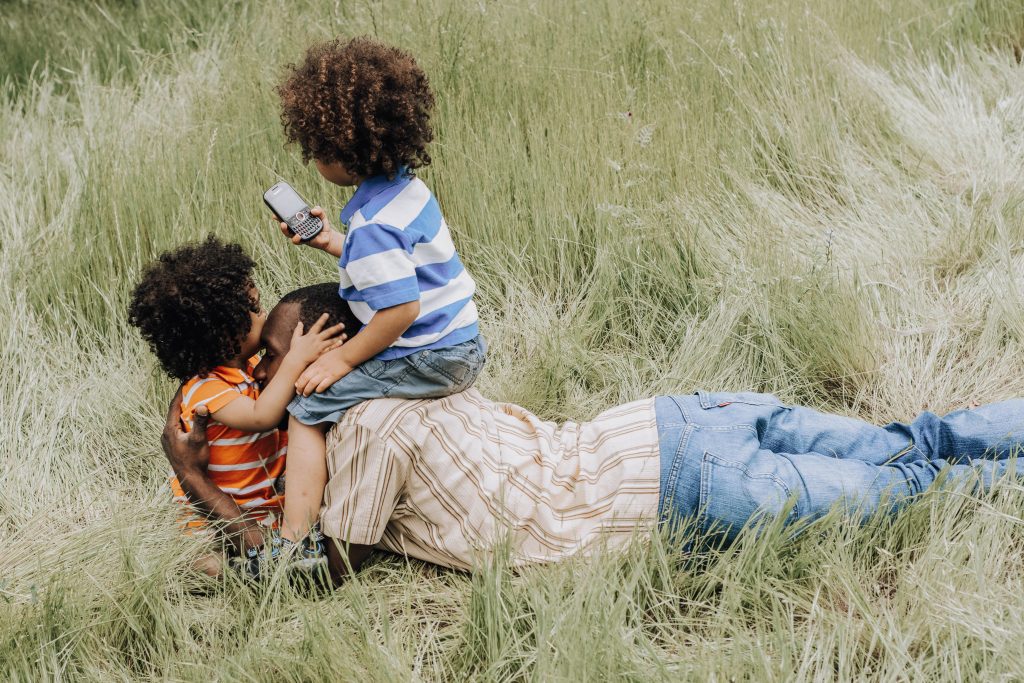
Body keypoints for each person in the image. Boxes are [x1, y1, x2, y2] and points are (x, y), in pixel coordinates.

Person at [161, 285, 1024, 585]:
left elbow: (309, 574)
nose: (263, 379)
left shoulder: (364, 434)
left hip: (674, 490)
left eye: (274, 361)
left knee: (921, 486)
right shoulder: (424, 362)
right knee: (916, 439)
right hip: (680, 417)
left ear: (326, 357)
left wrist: (194, 474)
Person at [269, 38, 487, 555]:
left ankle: (294, 543)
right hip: (464, 342)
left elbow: (400, 309)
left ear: (342, 153)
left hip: (430, 357)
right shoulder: (407, 193)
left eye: (317, 150)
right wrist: (329, 243)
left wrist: (341, 360)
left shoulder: (372, 227)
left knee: (306, 406)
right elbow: (396, 274)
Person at [128, 239, 344, 574]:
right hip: (210, 522)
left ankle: (264, 565)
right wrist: (296, 357)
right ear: (227, 330)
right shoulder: (205, 389)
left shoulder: (249, 369)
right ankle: (223, 574)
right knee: (207, 562)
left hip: (259, 506)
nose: (264, 313)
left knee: (278, 547)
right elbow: (262, 417)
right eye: (256, 310)